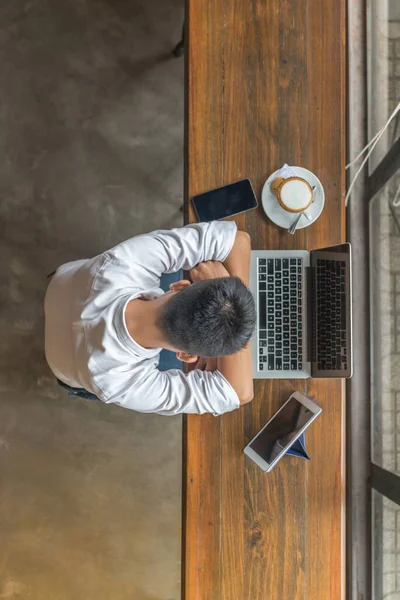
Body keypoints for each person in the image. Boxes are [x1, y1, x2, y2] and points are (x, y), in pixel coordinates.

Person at [44, 221, 256, 415]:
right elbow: (239, 393)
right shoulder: (118, 383)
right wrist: (227, 332)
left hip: (59, 287)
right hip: (63, 366)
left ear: (180, 285)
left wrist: (229, 289)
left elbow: (239, 240)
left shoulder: (122, 263)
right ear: (184, 355)